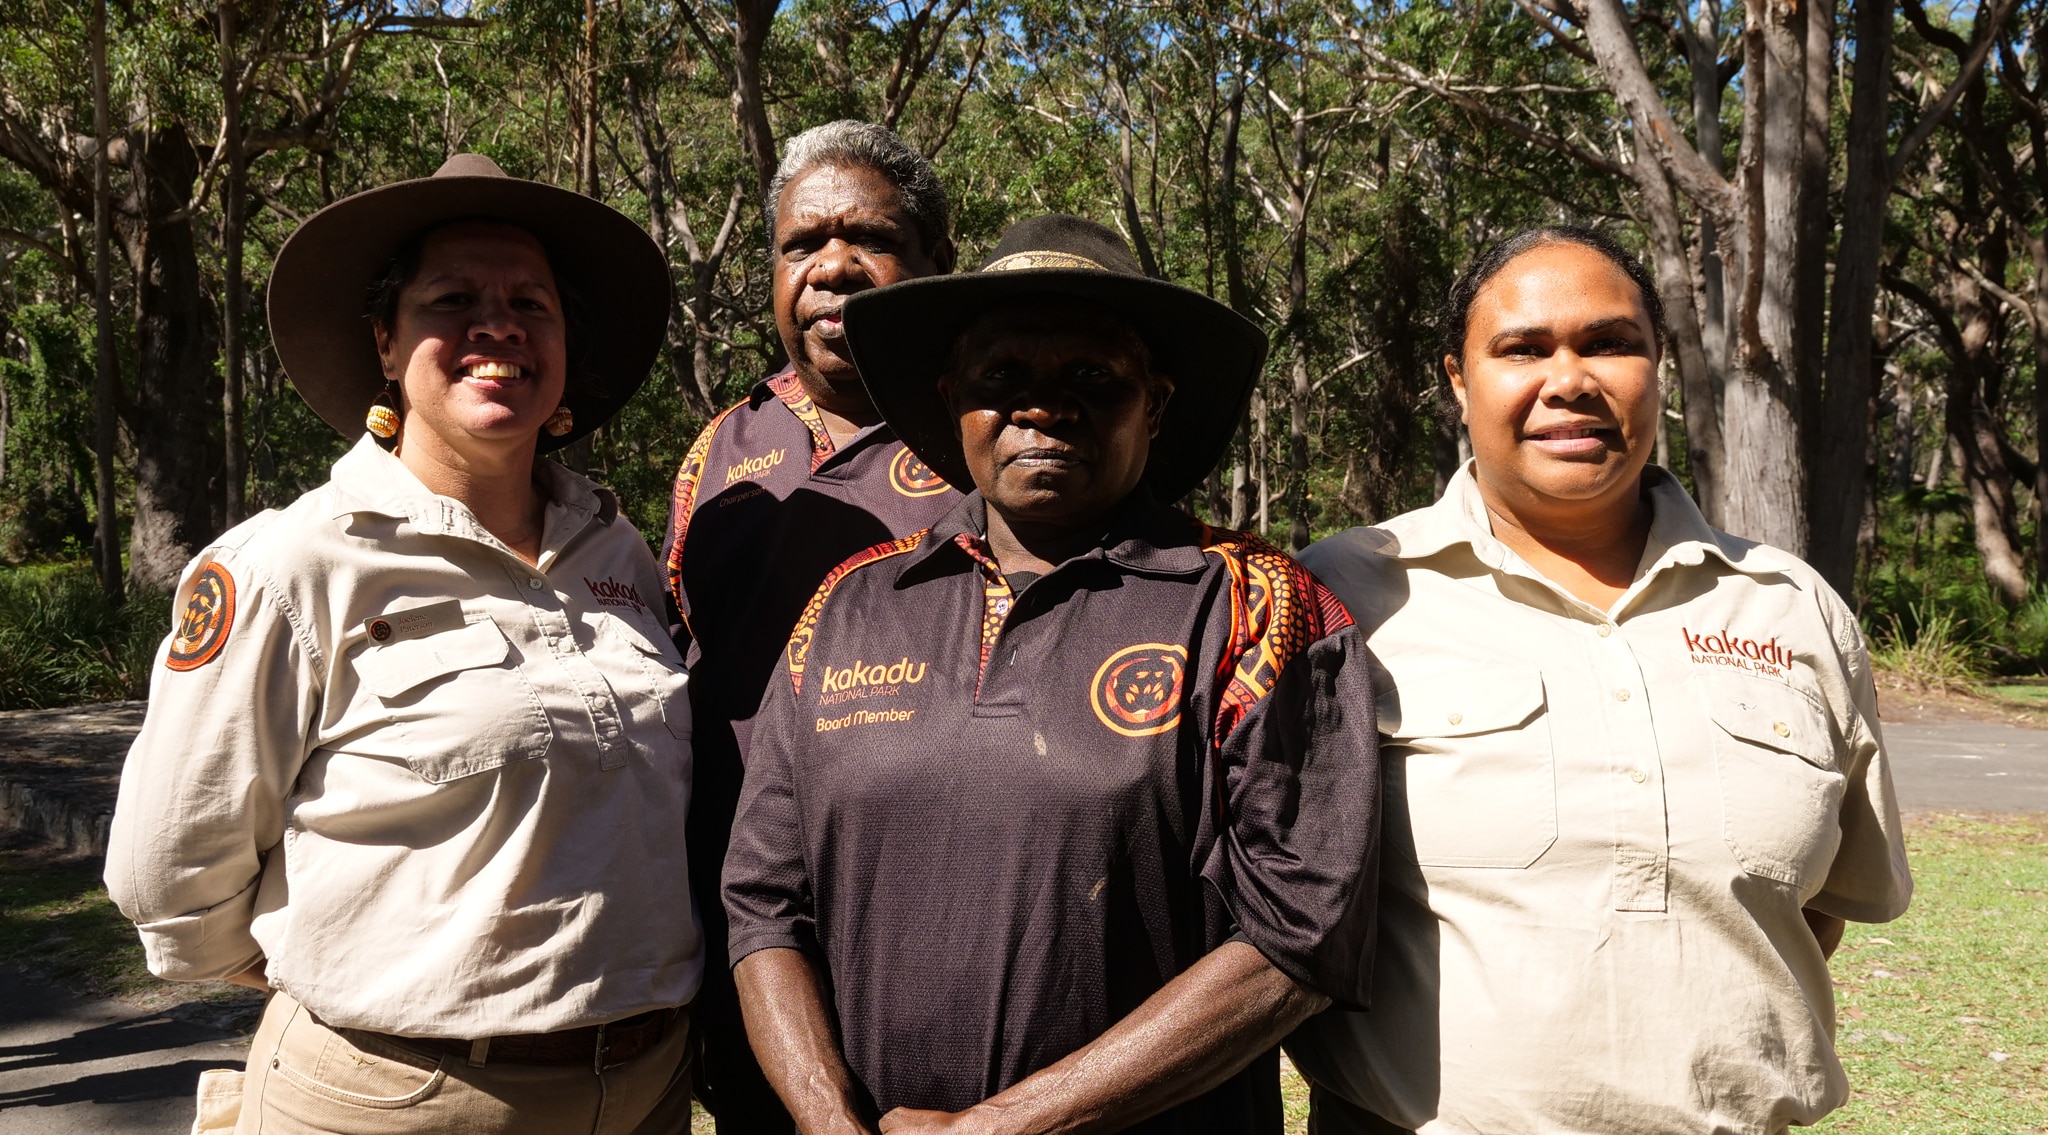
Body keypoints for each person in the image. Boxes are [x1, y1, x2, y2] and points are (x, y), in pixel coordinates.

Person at [722, 215, 1382, 1135]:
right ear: (952, 399)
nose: (1045, 407)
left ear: (1155, 403)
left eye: (1092, 378)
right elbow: (762, 902)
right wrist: (828, 1120)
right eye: (1002, 378)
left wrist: (1000, 1128)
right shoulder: (846, 606)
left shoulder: (1258, 603)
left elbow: (1300, 934)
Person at [105, 154, 700, 1135]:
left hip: (645, 1093)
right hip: (396, 1101)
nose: (498, 325)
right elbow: (165, 867)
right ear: (386, 341)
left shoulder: (617, 553)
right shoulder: (294, 561)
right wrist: (354, 983)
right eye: (452, 299)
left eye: (531, 303)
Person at [1288, 226, 1913, 1135]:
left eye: (1611, 343)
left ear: (1659, 368)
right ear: (1459, 380)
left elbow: (1801, 914)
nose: (1570, 380)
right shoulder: (1343, 594)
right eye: (1523, 348)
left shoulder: (1790, 608)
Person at [659, 119, 959, 1134]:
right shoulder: (723, 447)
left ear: (935, 259)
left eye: (869, 238)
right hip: (747, 940)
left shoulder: (984, 435)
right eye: (802, 244)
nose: (832, 267)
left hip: (930, 939)